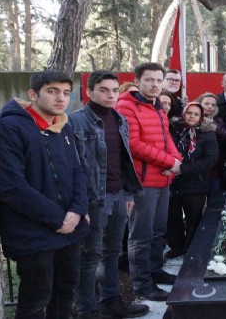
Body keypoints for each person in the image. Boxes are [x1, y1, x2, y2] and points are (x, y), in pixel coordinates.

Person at [0, 71, 90, 318]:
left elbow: (76, 171)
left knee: (65, 292)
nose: (61, 98)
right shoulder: (9, 127)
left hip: (69, 230)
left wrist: (78, 210)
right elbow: (11, 186)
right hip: (32, 232)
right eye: (52, 91)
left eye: (66, 93)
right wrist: (59, 218)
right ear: (33, 94)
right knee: (36, 300)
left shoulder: (63, 125)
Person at [69, 70, 149, 318]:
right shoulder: (76, 121)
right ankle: (87, 309)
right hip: (93, 200)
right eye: (103, 90)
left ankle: (111, 301)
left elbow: (123, 161)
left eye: (115, 90)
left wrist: (127, 194)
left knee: (112, 252)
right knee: (89, 255)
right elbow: (73, 166)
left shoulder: (119, 119)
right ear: (89, 92)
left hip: (118, 195)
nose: (110, 95)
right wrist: (80, 206)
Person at [115, 62, 182, 301]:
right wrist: (167, 162)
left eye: (157, 80)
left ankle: (155, 271)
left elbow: (167, 139)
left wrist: (176, 160)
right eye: (149, 80)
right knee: (141, 236)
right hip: (142, 182)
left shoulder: (158, 107)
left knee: (157, 231)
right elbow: (133, 145)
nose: (154, 84)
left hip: (163, 180)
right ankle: (142, 284)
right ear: (138, 81)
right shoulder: (126, 106)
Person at [166, 102, 219, 259]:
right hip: (173, 182)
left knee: (193, 218)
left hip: (196, 183)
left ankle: (191, 249)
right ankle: (177, 247)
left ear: (201, 117)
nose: (192, 116)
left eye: (196, 114)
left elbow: (210, 159)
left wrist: (183, 169)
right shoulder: (173, 130)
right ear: (183, 113)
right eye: (189, 113)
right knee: (172, 218)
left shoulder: (207, 133)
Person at [196, 92, 226, 201]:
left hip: (215, 168)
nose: (210, 106)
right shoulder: (192, 118)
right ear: (199, 104)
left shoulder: (218, 121)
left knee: (213, 199)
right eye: (207, 103)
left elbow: (225, 137)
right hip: (197, 168)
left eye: (213, 105)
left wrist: (214, 126)